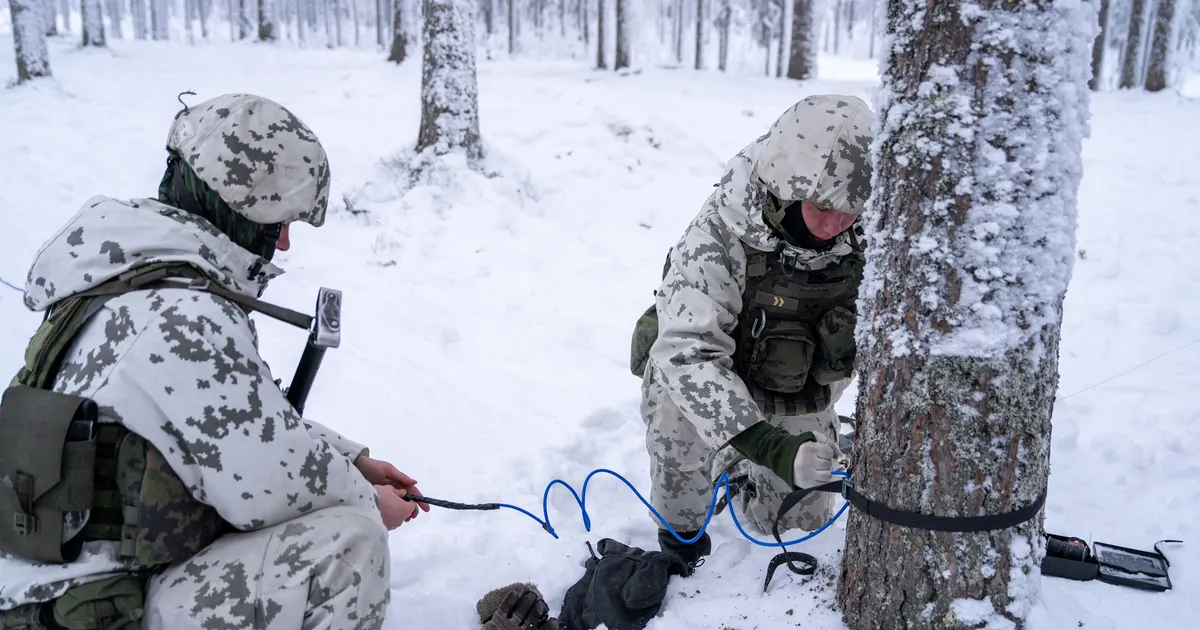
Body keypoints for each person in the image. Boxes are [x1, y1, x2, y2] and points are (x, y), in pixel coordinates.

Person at [0, 93, 429, 630]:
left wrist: (351, 458)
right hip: (87, 608)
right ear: (242, 208)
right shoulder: (179, 314)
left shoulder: (124, 280)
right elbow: (272, 487)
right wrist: (370, 499)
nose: (287, 244)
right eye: (280, 224)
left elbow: (238, 425)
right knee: (346, 546)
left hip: (62, 592)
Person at [635, 94, 874, 565]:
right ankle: (684, 536)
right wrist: (769, 446)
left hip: (798, 387)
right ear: (785, 186)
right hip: (705, 381)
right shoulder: (718, 234)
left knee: (797, 528)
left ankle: (744, 463)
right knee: (676, 431)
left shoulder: (876, 230)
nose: (835, 224)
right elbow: (688, 354)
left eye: (851, 209)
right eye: (821, 205)